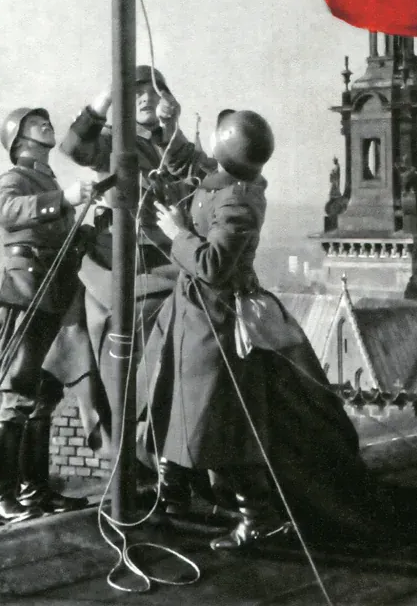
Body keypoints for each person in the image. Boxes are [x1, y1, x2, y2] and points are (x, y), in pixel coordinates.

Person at [144, 109, 383, 550]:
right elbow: (192, 180)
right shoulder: (223, 184)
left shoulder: (238, 201)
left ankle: (260, 517)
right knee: (174, 402)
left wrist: (177, 234)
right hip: (190, 316)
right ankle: (169, 497)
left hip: (215, 321)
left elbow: (214, 266)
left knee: (219, 421)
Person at [42, 66, 214, 463]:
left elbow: (202, 176)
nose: (143, 99)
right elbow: (73, 147)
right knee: (122, 370)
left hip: (164, 260)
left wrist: (173, 131)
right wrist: (104, 96)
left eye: (151, 92)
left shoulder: (171, 141)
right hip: (115, 266)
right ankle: (130, 463)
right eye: (133, 94)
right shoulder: (113, 141)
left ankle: (166, 463)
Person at [0, 108, 95, 525]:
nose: (47, 125)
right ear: (19, 139)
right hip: (25, 289)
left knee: (44, 397)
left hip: (54, 289)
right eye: (37, 123)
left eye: (47, 121)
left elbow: (61, 235)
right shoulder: (14, 178)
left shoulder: (48, 181)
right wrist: (62, 200)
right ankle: (0, 496)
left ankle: (34, 492)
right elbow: (5, 211)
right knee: (18, 393)